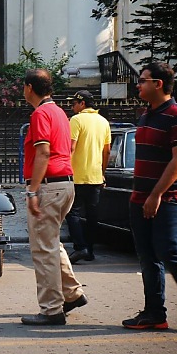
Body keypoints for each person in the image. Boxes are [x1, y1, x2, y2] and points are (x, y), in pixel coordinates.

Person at [123, 62, 177, 330]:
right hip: (141, 195)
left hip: (172, 196)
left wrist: (156, 194)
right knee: (147, 256)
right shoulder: (146, 115)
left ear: (158, 84)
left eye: (143, 80)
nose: (138, 85)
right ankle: (154, 313)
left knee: (167, 249)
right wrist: (144, 195)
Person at [21, 69, 86, 325]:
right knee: (51, 243)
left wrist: (33, 190)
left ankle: (51, 310)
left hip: (48, 187)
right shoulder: (59, 112)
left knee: (43, 249)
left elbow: (43, 153)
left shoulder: (40, 113)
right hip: (64, 185)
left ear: (29, 88)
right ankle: (71, 294)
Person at [66, 90, 111, 264]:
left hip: (77, 175)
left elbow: (71, 148)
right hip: (95, 176)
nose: (72, 107)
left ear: (82, 103)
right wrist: (102, 173)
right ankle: (90, 251)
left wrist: (65, 171)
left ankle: (80, 247)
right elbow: (106, 151)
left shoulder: (76, 120)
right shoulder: (103, 122)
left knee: (73, 213)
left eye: (74, 103)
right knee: (92, 215)